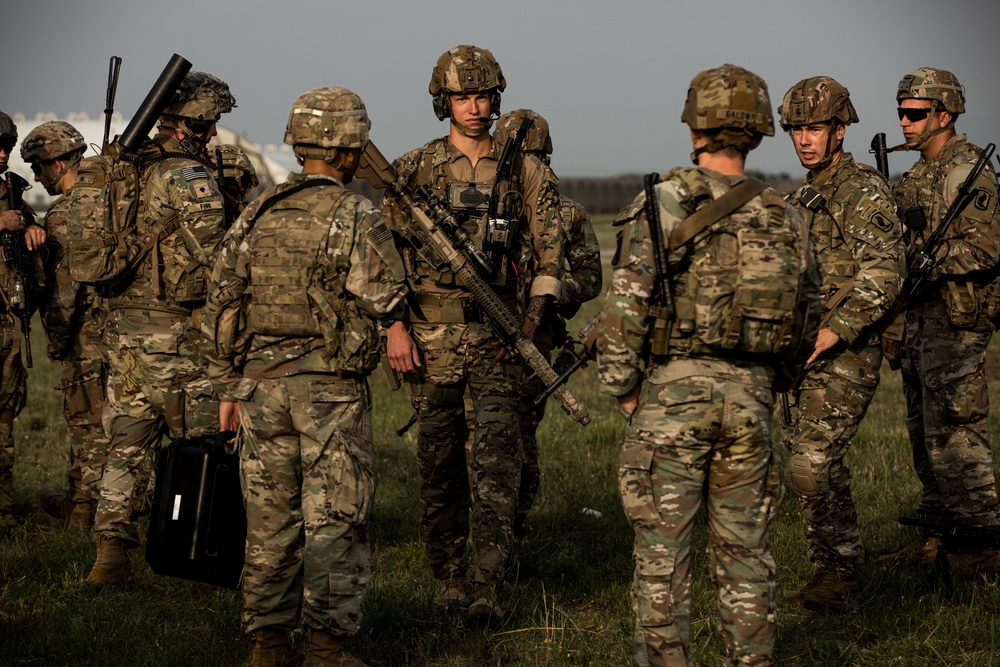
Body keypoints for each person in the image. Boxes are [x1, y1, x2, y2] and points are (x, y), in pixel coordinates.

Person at [597, 64, 821, 666]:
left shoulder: (663, 201)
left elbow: (625, 309)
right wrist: (766, 383)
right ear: (759, 130)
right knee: (747, 556)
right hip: (751, 404)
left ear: (696, 124)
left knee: (663, 561)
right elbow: (807, 316)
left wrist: (625, 392)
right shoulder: (787, 215)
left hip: (672, 401)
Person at [202, 86, 408, 667]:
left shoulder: (256, 211)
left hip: (259, 390)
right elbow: (385, 295)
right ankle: (326, 650)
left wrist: (227, 388)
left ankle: (269, 645)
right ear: (348, 150)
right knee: (335, 517)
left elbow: (221, 305)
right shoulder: (354, 213)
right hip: (329, 392)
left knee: (269, 520)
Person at [380, 45, 564, 621]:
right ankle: (449, 578)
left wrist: (533, 318)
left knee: (495, 464)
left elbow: (552, 250)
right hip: (430, 345)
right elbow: (383, 258)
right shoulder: (411, 170)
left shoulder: (526, 172)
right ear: (444, 101)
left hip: (499, 341)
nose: (476, 107)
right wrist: (393, 326)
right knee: (438, 467)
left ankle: (486, 584)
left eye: (484, 96)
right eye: (463, 97)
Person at [85, 71, 235, 585]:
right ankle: (201, 547)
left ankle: (110, 558)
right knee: (209, 438)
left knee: (125, 443)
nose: (214, 132)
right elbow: (218, 256)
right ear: (193, 120)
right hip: (172, 332)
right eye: (211, 122)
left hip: (122, 326)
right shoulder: (184, 175)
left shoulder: (125, 167)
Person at [776, 77, 905, 609]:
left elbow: (886, 272)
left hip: (849, 347)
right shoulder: (803, 194)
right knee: (808, 465)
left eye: (815, 128)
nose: (805, 139)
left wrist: (834, 331)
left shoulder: (861, 189)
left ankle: (841, 575)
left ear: (840, 128)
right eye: (796, 129)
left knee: (811, 462)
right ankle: (832, 569)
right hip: (802, 350)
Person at [879, 68, 1000, 573]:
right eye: (902, 113)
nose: (905, 123)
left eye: (915, 114)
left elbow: (988, 246)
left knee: (956, 431)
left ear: (944, 115)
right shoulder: (918, 175)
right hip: (918, 321)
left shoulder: (967, 171)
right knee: (921, 431)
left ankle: (983, 543)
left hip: (956, 321)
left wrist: (934, 260)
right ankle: (935, 535)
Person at [487, 108, 602, 545]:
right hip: (484, 337)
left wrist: (548, 292)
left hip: (538, 344)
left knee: (518, 438)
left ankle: (511, 530)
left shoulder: (567, 214)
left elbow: (591, 279)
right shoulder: (487, 204)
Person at [20, 120, 112, 530]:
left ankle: (83, 513)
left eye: (38, 168)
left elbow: (63, 293)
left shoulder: (62, 215)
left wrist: (56, 342)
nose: (37, 177)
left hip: (84, 338)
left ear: (58, 163)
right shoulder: (114, 198)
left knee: (87, 427)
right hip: (125, 335)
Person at [0, 109, 45, 532]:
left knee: (4, 422)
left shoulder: (12, 194)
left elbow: (25, 225)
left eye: (6, 148)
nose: (0, 156)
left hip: (7, 327)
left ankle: (4, 512)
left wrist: (30, 229)